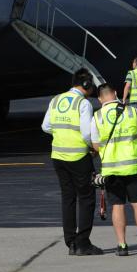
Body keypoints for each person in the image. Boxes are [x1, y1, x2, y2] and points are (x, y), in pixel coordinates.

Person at [41, 68, 103, 255]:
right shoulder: (82, 104)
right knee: (86, 198)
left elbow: (46, 126)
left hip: (58, 156)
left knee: (68, 198)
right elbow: (86, 132)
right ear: (86, 85)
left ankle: (71, 242)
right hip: (78, 156)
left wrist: (62, 134)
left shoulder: (56, 99)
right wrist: (93, 147)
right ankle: (83, 242)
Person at [91, 80, 137, 255]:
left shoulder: (97, 117)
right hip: (133, 168)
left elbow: (96, 146)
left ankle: (122, 245)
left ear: (100, 99)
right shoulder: (132, 112)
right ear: (115, 93)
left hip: (111, 170)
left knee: (118, 207)